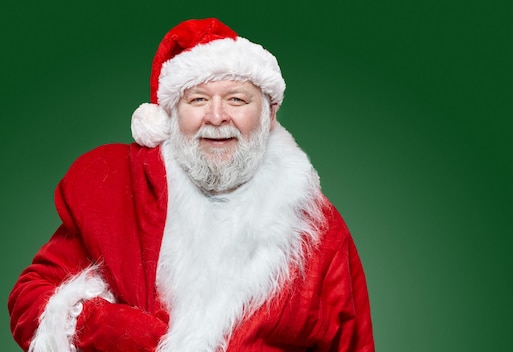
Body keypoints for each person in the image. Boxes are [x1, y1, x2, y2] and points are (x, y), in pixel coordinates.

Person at [8, 17, 374, 352]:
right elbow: (31, 298)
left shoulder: (317, 230)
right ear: (171, 113)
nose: (216, 117)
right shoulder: (120, 189)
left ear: (269, 114)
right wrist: (123, 332)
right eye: (198, 100)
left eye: (236, 99)